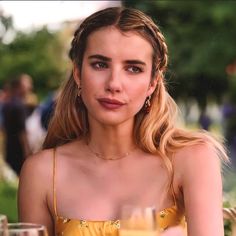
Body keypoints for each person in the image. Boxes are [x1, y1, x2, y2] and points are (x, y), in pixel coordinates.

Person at [18, 7, 228, 236]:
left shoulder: (192, 159)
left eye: (133, 68)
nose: (114, 83)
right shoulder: (43, 172)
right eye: (100, 64)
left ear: (152, 84)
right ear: (78, 73)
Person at [2, 76, 32, 175]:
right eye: (27, 84)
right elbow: (22, 132)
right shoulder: (19, 106)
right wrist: (27, 153)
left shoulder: (7, 103)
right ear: (18, 87)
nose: (30, 87)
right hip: (19, 151)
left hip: (9, 148)